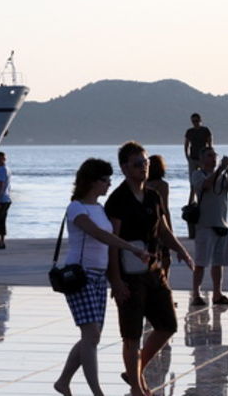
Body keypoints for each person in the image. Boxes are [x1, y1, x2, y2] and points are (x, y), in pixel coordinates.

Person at [105, 141, 195, 396]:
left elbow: (163, 230)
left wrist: (182, 250)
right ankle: (136, 387)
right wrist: (116, 281)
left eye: (146, 163)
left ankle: (136, 370)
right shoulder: (118, 200)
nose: (144, 168)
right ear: (124, 168)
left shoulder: (154, 195)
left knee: (167, 324)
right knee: (131, 334)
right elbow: (112, 243)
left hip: (154, 269)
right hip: (129, 275)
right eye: (138, 164)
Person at [54, 159, 148, 396]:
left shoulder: (100, 208)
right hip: (80, 275)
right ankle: (97, 392)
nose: (109, 184)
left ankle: (63, 381)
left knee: (91, 337)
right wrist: (132, 248)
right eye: (105, 179)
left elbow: (106, 237)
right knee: (91, 334)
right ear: (92, 181)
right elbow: (97, 234)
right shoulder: (77, 207)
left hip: (98, 277)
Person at [190, 148, 228, 306]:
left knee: (219, 262)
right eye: (210, 155)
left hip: (221, 223)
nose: (214, 158)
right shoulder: (198, 174)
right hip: (205, 224)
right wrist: (220, 170)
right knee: (201, 262)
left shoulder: (222, 175)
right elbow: (206, 186)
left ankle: (217, 293)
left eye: (215, 156)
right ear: (202, 159)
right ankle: (196, 293)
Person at [145, 155, 173, 277]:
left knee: (151, 256)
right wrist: (169, 228)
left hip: (147, 224)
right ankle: (164, 280)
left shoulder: (143, 184)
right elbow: (164, 209)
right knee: (166, 258)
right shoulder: (162, 185)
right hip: (159, 224)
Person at [183, 113, 212, 202]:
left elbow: (210, 144)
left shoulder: (205, 130)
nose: (195, 123)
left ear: (200, 120)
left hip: (203, 159)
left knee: (205, 179)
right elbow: (186, 145)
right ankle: (191, 201)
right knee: (192, 182)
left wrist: (210, 156)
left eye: (196, 121)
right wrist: (187, 157)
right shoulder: (189, 131)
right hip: (193, 159)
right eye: (193, 121)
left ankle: (203, 199)